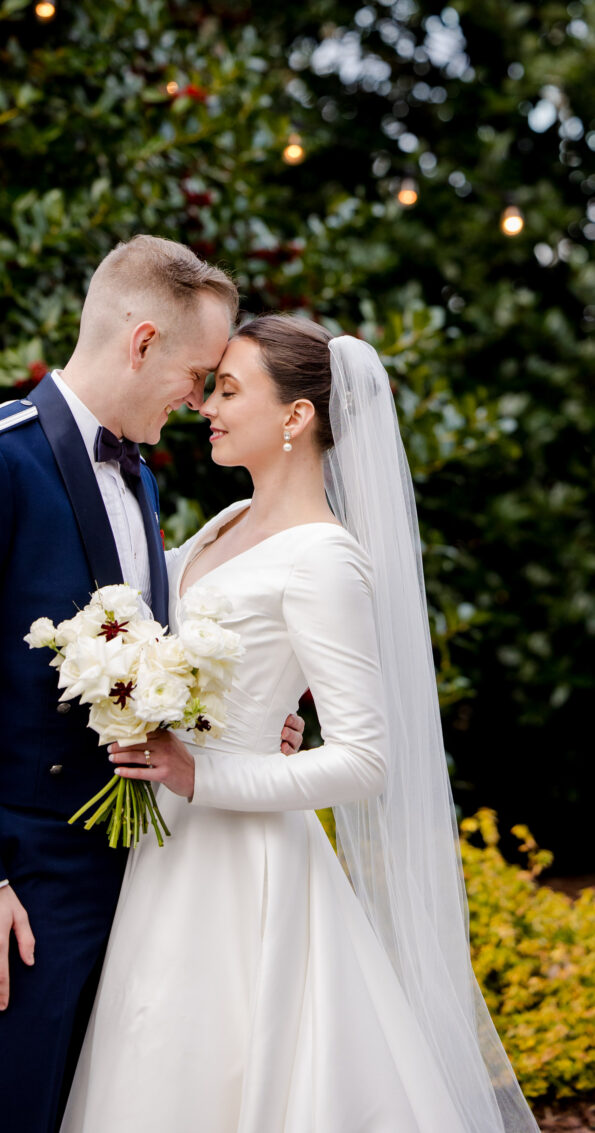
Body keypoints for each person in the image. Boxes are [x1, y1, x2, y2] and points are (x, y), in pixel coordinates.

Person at [60, 315, 540, 1133]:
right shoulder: (222, 525)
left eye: (229, 390)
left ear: (295, 417)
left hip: (243, 866)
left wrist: (206, 770)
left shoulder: (323, 558)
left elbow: (363, 759)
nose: (206, 404)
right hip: (165, 850)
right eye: (211, 388)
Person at [0, 236, 305, 1133]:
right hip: (22, 891)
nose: (198, 402)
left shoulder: (139, 481)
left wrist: (234, 726)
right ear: (142, 341)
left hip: (139, 879)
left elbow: (143, 670)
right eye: (197, 375)